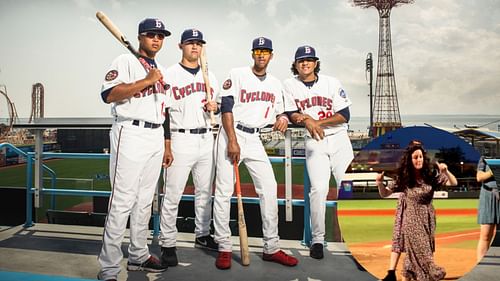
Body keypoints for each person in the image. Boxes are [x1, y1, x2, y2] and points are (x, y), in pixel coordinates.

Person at [213, 36, 298, 270]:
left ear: (272, 55)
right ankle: (224, 247)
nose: (261, 55)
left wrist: (282, 117)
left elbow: (283, 112)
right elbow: (226, 108)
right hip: (232, 133)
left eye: (266, 51)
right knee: (223, 191)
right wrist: (232, 140)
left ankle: (271, 247)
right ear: (252, 54)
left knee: (269, 188)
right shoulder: (237, 74)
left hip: (255, 138)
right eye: (257, 51)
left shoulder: (275, 83)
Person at [97, 18, 172, 281]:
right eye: (151, 34)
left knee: (144, 202)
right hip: (129, 132)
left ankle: (139, 254)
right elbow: (109, 94)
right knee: (122, 201)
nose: (156, 39)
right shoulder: (124, 61)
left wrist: (166, 143)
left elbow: (165, 111)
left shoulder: (161, 68)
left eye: (161, 36)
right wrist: (146, 80)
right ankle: (108, 267)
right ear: (140, 37)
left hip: (154, 134)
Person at [283, 45, 354, 259]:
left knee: (349, 189)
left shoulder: (332, 82)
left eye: (309, 59)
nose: (305, 63)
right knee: (318, 189)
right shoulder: (289, 84)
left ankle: (358, 242)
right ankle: (317, 241)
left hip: (339, 138)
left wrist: (316, 121)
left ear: (316, 63)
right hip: (314, 142)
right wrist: (306, 120)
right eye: (301, 60)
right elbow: (291, 113)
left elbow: (344, 115)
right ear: (295, 65)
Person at [159, 28, 220, 267]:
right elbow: (162, 111)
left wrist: (213, 105)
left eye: (198, 43)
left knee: (205, 192)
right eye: (190, 43)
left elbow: (217, 103)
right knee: (173, 194)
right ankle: (167, 243)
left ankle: (203, 235)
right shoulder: (169, 74)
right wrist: (167, 144)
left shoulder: (210, 76)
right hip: (180, 137)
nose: (195, 47)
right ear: (181, 46)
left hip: (206, 138)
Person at [375, 141, 457, 281]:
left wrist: (446, 172)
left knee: (413, 258)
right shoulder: (404, 178)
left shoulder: (430, 176)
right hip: (411, 220)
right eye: (415, 157)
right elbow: (385, 194)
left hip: (427, 219)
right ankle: (432, 272)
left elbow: (453, 183)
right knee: (424, 252)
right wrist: (379, 183)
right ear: (410, 160)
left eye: (420, 157)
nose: (418, 160)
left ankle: (408, 275)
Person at [476, 156, 499, 262]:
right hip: (488, 195)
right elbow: (479, 177)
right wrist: (492, 171)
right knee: (485, 235)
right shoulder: (485, 157)